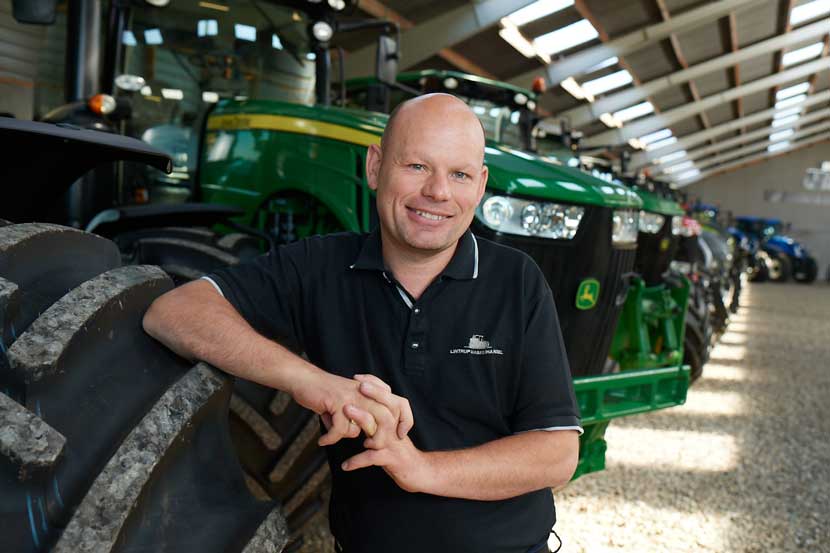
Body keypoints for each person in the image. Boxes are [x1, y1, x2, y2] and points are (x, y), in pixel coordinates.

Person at [143, 93, 581, 553]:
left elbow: (556, 454)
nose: (438, 192)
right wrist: (310, 382)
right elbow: (172, 312)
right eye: (417, 166)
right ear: (375, 167)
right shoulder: (320, 266)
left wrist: (421, 469)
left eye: (459, 174)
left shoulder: (517, 280)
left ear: (481, 184)